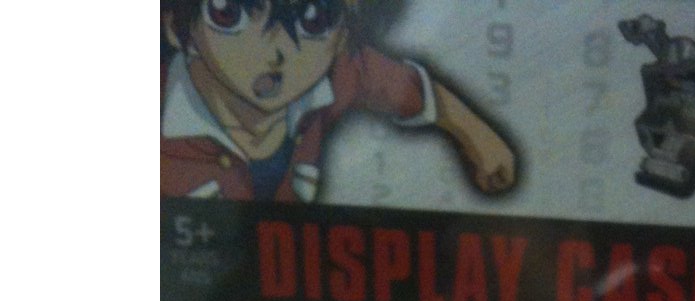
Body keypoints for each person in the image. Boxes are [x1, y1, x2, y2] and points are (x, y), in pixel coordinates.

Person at [161, 0, 516, 202]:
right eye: (228, 13)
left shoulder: (336, 76)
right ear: (175, 25)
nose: (275, 51)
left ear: (343, 34)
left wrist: (478, 136)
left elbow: (406, 87)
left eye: (314, 20)